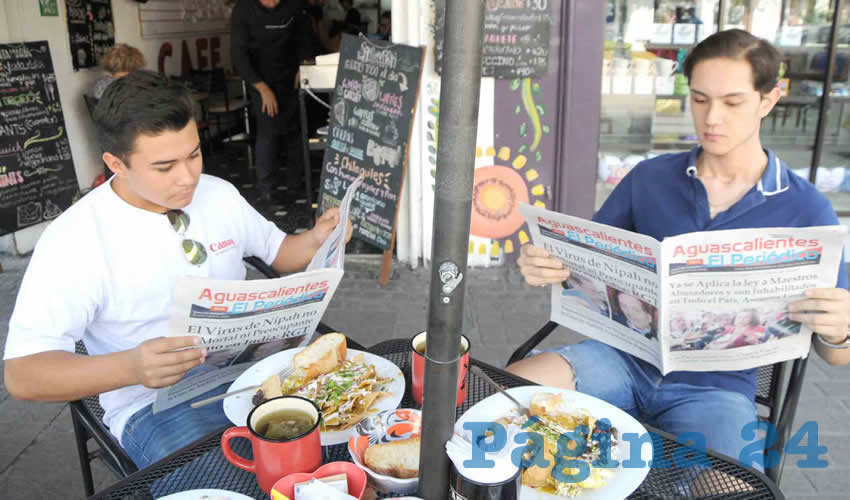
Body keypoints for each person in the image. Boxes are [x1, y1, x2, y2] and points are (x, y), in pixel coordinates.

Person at [510, 29, 850, 474]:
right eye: (699, 99)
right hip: (620, 359)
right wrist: (548, 266)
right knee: (503, 397)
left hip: (717, 391)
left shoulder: (806, 207)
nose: (712, 118)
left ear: (769, 99)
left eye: (732, 102)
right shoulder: (650, 177)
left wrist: (839, 329)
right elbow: (588, 265)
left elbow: (837, 354)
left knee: (731, 488)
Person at [2, 70, 350, 469]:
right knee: (225, 486)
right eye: (165, 167)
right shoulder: (75, 239)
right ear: (116, 163)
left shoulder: (218, 195)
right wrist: (132, 366)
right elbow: (23, 374)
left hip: (258, 373)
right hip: (153, 406)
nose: (189, 177)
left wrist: (319, 237)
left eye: (194, 154)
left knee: (347, 447)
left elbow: (283, 253)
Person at [230, 0, 313, 205]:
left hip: (291, 78)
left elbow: (306, 39)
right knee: (268, 133)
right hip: (261, 80)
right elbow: (239, 55)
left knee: (296, 133)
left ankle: (296, 184)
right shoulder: (243, 10)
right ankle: (267, 187)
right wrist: (261, 88)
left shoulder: (295, 6)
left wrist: (303, 65)